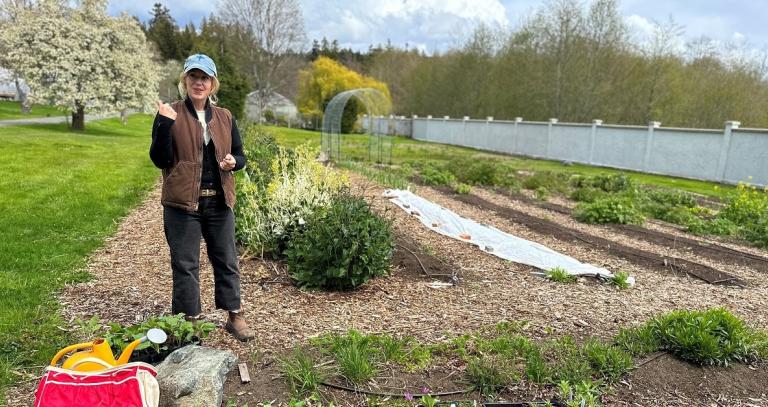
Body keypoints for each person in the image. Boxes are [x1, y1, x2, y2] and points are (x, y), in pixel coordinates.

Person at [149, 53, 254, 342]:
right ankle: (189, 322)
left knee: (227, 260)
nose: (199, 82)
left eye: (204, 78)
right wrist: (163, 126)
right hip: (183, 204)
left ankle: (235, 315)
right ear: (185, 80)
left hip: (218, 201)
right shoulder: (170, 112)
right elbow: (160, 159)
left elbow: (241, 155)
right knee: (185, 263)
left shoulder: (224, 117)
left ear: (212, 84)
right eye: (193, 77)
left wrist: (235, 161)